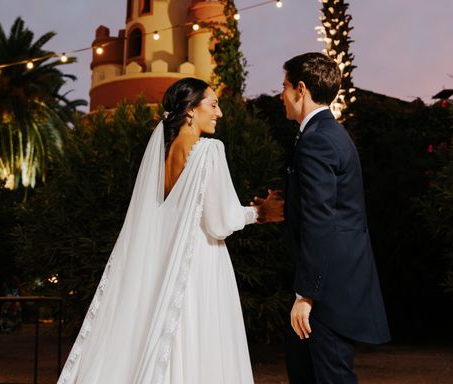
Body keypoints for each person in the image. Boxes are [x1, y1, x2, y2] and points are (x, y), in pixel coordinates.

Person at [57, 77, 283, 384]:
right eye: (213, 105)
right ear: (190, 110)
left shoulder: (162, 157)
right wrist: (259, 212)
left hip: (166, 267)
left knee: (173, 342)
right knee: (199, 344)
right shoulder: (209, 150)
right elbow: (220, 222)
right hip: (201, 265)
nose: (220, 114)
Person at [279, 53, 390, 383]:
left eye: (284, 86)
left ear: (301, 89)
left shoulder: (317, 140)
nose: (281, 94)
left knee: (330, 377)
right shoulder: (326, 133)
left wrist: (306, 295)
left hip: (326, 290)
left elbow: (320, 219)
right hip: (332, 281)